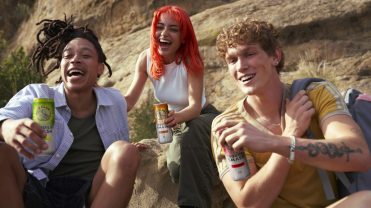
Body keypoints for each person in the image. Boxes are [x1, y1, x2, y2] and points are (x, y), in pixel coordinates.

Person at [211, 19, 371, 207]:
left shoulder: (314, 94)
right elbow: (250, 203)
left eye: (249, 54)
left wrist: (277, 143)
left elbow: (358, 155)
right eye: (232, 60)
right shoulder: (228, 125)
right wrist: (288, 137)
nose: (240, 66)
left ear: (275, 56)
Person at [0, 16, 139, 208]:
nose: (75, 59)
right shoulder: (38, 95)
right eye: (68, 56)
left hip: (89, 196)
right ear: (61, 66)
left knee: (126, 151)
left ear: (99, 68)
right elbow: (4, 116)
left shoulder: (114, 101)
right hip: (38, 191)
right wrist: (7, 127)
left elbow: (119, 155)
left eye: (85, 55)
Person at [125, 5, 219, 208]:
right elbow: (129, 101)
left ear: (183, 37)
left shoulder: (191, 60)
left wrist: (175, 119)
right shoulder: (146, 59)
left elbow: (194, 107)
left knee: (190, 136)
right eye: (159, 27)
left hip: (202, 117)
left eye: (173, 29)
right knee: (176, 170)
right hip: (176, 123)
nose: (164, 33)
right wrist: (99, 99)